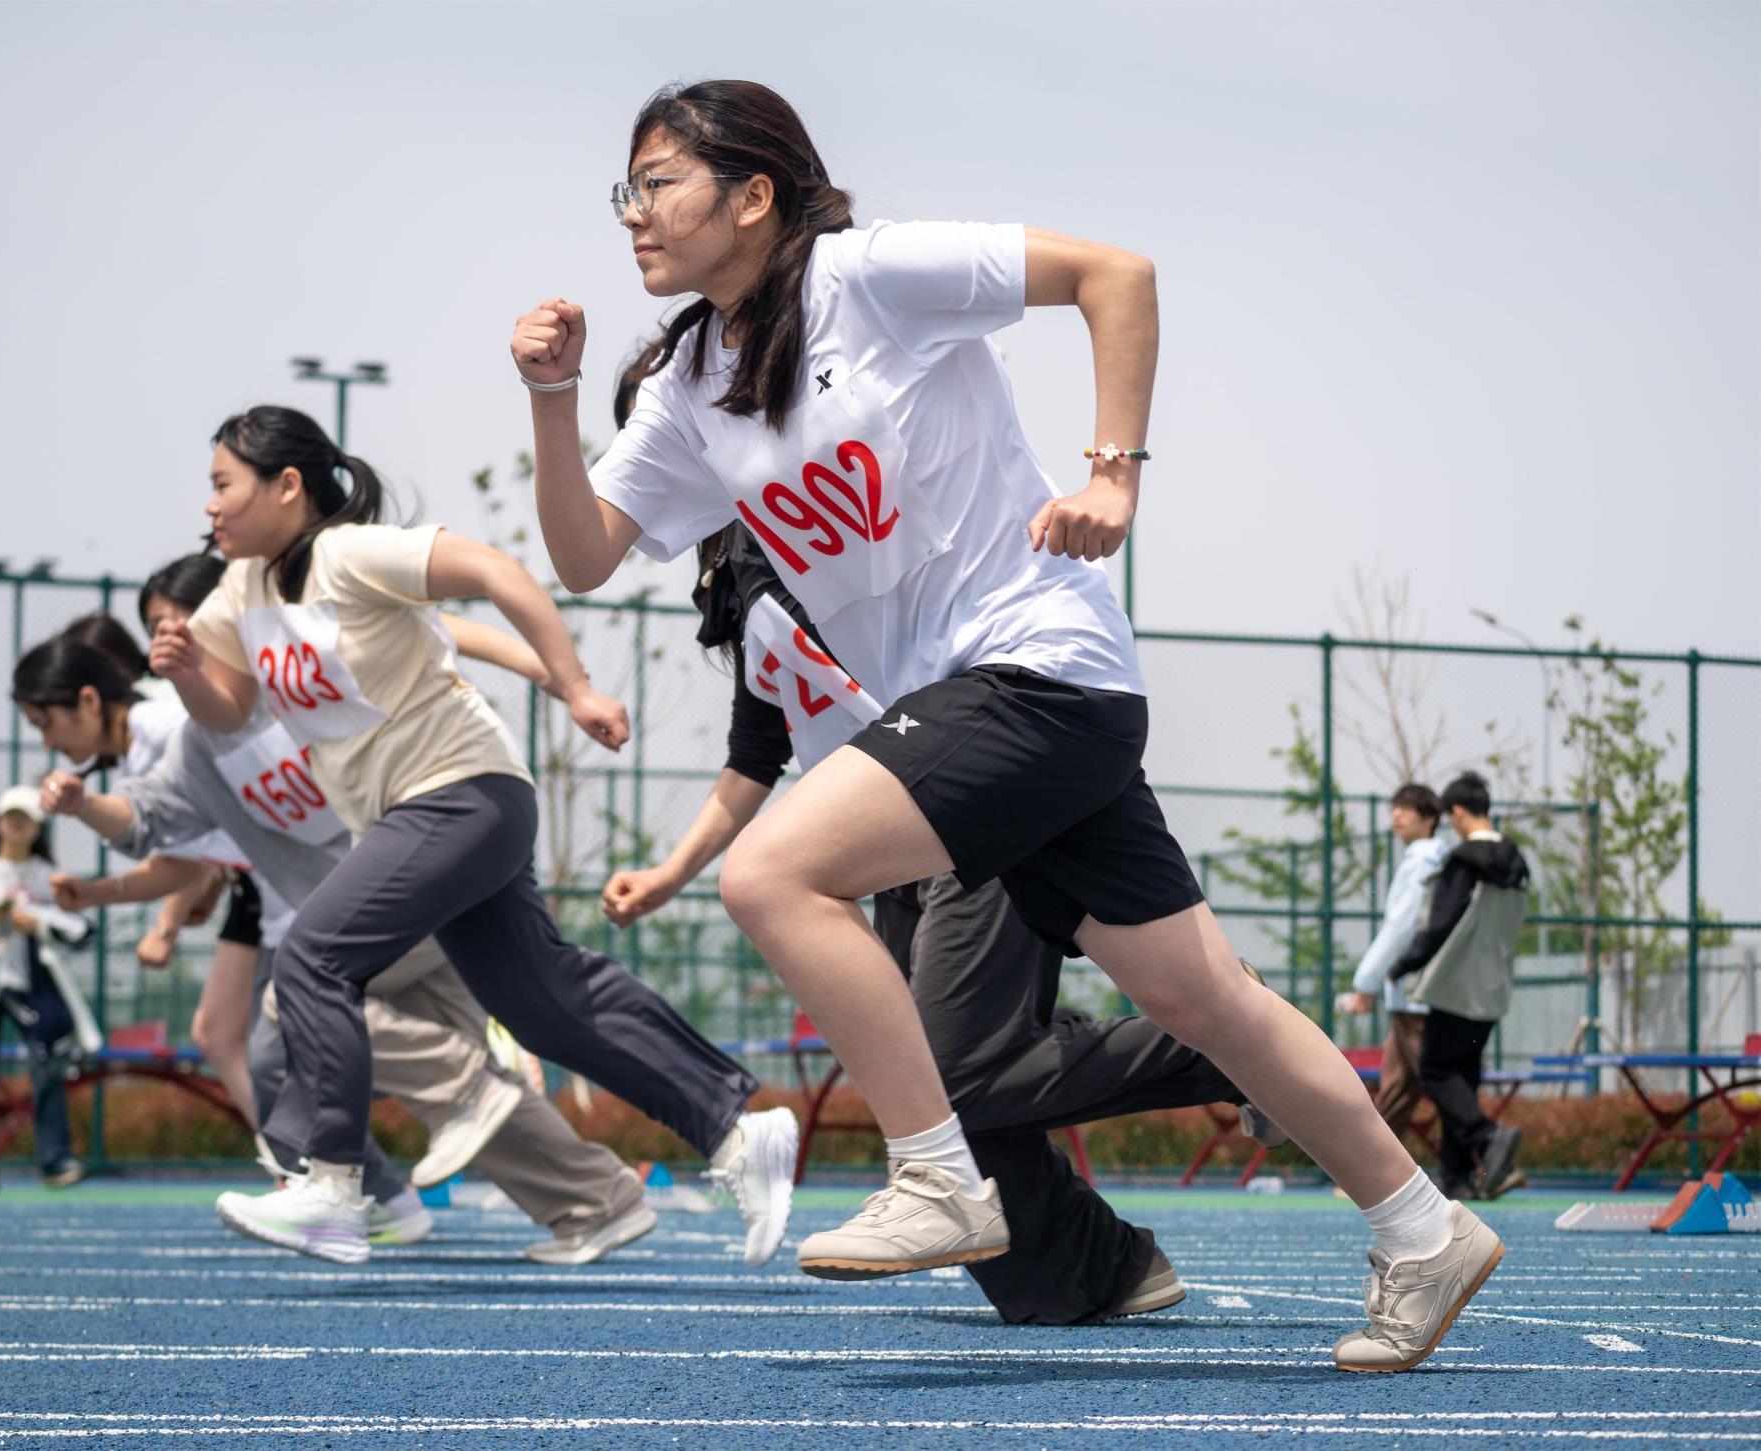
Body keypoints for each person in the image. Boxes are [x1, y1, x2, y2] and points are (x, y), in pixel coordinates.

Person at [513, 78, 1501, 1370]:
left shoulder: (872, 276)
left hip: (1039, 664)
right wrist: (554, 395)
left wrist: (1111, 469)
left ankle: (938, 1172)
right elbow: (585, 553)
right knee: (1200, 994)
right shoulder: (694, 377)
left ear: (753, 193)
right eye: (625, 191)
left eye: (658, 183)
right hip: (979, 703)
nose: (634, 214)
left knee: (772, 870)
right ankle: (1424, 1228)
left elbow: (1115, 272)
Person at [602, 364, 1261, 1324]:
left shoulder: (819, 514)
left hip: (964, 801)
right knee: (930, 1086)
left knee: (954, 1071)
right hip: (878, 842)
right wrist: (671, 872)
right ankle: (1094, 1267)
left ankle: (1229, 1043)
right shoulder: (736, 573)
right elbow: (758, 751)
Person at [146, 404, 796, 1267]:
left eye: (224, 485)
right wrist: (192, 675)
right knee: (541, 999)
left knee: (311, 957)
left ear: (287, 486)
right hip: (423, 816)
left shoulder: (351, 553)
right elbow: (229, 711)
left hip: (462, 793)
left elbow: (496, 572)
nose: (211, 507)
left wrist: (574, 686)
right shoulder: (240, 594)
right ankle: (734, 1131)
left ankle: (334, 1185)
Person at [58, 606, 268, 1132]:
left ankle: (314, 1165)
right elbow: (186, 850)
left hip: (286, 879)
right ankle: (300, 1165)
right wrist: (96, 893)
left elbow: (188, 846)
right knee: (228, 1036)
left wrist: (167, 922)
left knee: (293, 1033)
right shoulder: (139, 737)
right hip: (259, 882)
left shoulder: (161, 717)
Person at [0, 785, 101, 1191]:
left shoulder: (48, 876)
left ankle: (56, 1161)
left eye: (24, 818)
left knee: (46, 1068)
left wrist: (38, 924)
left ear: (38, 827)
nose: (16, 824)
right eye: (10, 817)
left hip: (30, 987)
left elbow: (79, 927)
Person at [1388, 771, 1531, 1201]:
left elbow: (1439, 923)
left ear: (1456, 813)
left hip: (1455, 985)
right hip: (1492, 988)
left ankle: (1488, 1137)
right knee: (1462, 1079)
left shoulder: (1463, 860)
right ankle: (1457, 1177)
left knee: (1433, 1072)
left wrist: (1405, 963)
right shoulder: (1518, 862)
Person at [1337, 783, 1449, 1146]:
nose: (1397, 815)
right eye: (1394, 808)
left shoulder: (1422, 858)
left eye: (1408, 809)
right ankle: (1376, 1174)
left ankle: (1485, 1154)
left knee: (1437, 1084)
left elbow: (1402, 925)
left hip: (1417, 991)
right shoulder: (1435, 856)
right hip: (1416, 993)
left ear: (1430, 818)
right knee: (1398, 1087)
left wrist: (1366, 982)